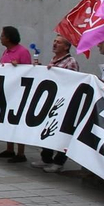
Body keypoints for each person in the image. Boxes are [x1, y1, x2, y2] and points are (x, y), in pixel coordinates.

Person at [40, 32, 82, 169]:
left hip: (64, 103)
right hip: (52, 102)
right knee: (48, 129)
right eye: (54, 41)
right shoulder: (54, 60)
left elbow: (71, 81)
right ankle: (46, 158)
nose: (54, 43)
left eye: (58, 42)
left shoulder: (71, 62)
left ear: (66, 47)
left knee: (61, 133)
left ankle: (59, 162)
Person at [0, 26, 34, 163]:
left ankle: (21, 152)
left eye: (2, 36)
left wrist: (18, 67)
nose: (0, 38)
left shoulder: (23, 52)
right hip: (7, 91)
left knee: (17, 121)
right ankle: (9, 148)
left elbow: (29, 71)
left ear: (8, 38)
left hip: (18, 93)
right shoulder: (6, 51)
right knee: (7, 120)